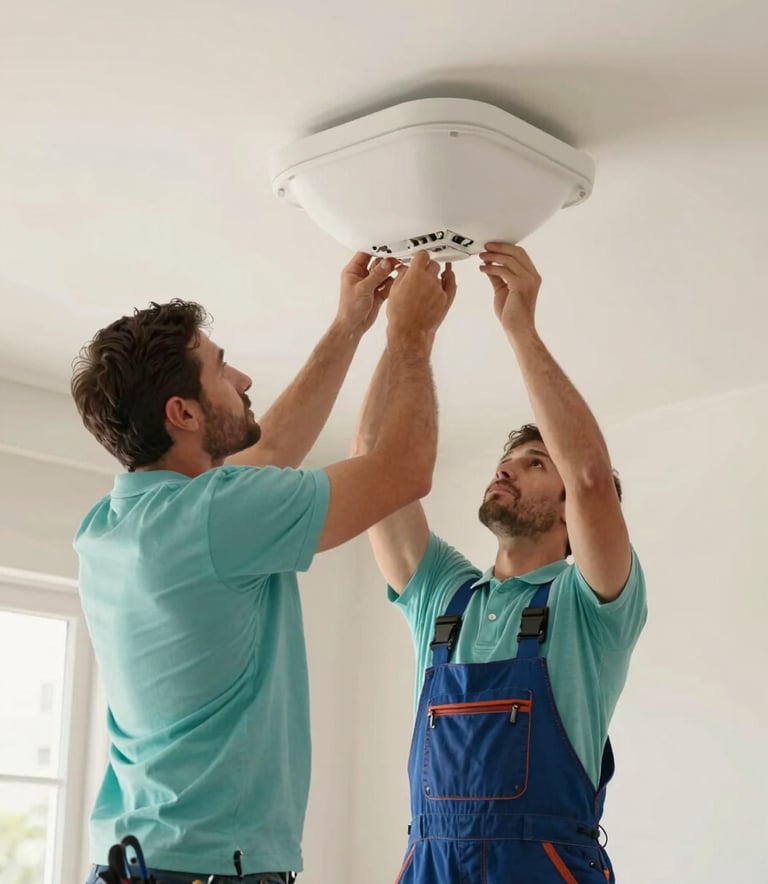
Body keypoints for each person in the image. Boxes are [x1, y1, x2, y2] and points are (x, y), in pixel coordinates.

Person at [71, 250, 456, 884]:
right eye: (222, 369)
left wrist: (350, 324)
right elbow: (404, 470)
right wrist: (411, 336)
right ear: (183, 413)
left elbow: (272, 446)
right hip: (208, 868)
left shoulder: (111, 527)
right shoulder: (216, 515)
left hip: (136, 859)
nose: (244, 379)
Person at [352, 243, 647, 883]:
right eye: (507, 460)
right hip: (431, 864)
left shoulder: (590, 604)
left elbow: (590, 476)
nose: (507, 468)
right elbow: (371, 461)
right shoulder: (442, 595)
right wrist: (405, 335)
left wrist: (520, 328)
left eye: (536, 463)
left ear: (572, 516)